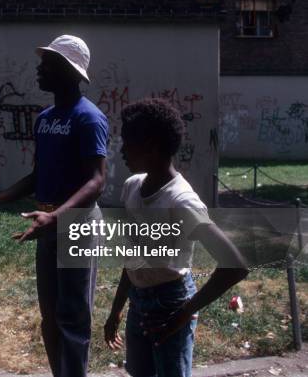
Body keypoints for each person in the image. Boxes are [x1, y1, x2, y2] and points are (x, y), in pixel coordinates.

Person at [0, 35, 108, 377]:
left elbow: (97, 181)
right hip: (49, 222)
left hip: (77, 224)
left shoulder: (90, 118)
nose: (39, 69)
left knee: (74, 319)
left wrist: (57, 216)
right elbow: (39, 175)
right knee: (51, 318)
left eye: (48, 63)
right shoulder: (45, 118)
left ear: (68, 71)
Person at [104, 99, 249, 377]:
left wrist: (183, 314)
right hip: (139, 301)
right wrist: (117, 309)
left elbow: (236, 265)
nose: (121, 150)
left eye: (128, 142)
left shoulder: (181, 202)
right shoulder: (132, 188)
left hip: (170, 302)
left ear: (153, 147)